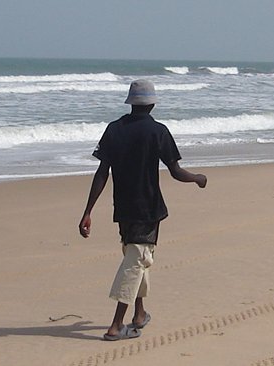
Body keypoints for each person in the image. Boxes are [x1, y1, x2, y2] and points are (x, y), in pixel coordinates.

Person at [78, 79, 207, 341]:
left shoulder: (114, 129)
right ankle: (116, 325)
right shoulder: (158, 131)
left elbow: (102, 172)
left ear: (131, 103)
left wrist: (88, 211)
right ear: (153, 103)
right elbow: (175, 171)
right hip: (147, 208)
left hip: (123, 208)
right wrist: (197, 178)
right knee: (136, 262)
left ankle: (139, 313)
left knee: (138, 258)